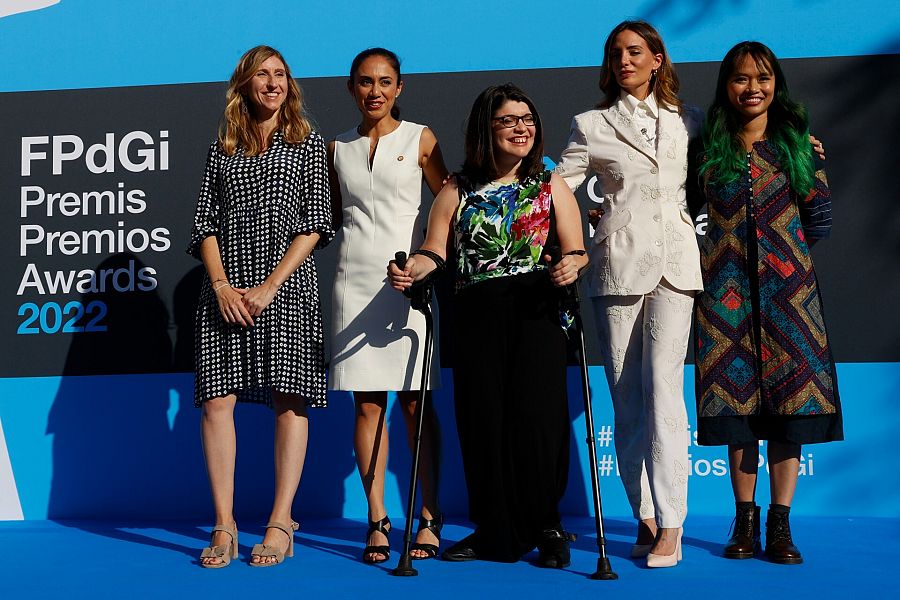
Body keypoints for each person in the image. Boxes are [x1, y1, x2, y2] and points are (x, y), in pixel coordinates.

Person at [388, 83, 588, 567]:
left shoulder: (550, 182)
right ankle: (495, 528)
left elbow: (576, 247)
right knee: (483, 422)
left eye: (528, 119)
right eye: (508, 120)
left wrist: (572, 264)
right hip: (476, 315)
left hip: (538, 312)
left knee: (539, 422)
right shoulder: (456, 188)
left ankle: (546, 526)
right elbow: (436, 249)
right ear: (486, 127)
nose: (522, 128)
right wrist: (413, 268)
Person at [554, 20, 702, 567]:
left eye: (636, 51)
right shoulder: (591, 123)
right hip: (616, 267)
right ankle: (642, 513)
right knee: (626, 395)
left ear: (657, 59)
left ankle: (671, 523)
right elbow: (559, 188)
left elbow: (730, 165)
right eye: (616, 52)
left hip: (678, 265)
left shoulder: (690, 120)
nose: (625, 60)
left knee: (664, 387)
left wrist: (795, 142)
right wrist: (582, 230)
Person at [692, 41, 842, 565]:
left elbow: (818, 220)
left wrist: (779, 261)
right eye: (740, 79)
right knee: (737, 413)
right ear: (725, 86)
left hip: (789, 301)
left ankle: (780, 525)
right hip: (723, 301)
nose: (751, 88)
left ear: (775, 84)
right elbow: (687, 215)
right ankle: (744, 521)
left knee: (788, 412)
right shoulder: (706, 148)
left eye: (762, 78)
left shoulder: (798, 143)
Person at [187, 45, 334, 568]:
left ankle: (279, 522)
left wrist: (270, 285)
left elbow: (315, 222)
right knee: (216, 402)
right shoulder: (221, 147)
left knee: (289, 400)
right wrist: (224, 286)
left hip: (286, 288)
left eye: (280, 75)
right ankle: (223, 524)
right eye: (261, 75)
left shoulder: (308, 142)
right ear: (244, 85)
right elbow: (203, 224)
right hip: (225, 291)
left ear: (289, 85)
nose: (271, 83)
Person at [327, 47, 448, 563]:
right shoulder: (337, 148)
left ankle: (429, 514)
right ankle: (377, 519)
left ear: (399, 87)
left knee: (417, 402)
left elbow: (447, 206)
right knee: (368, 403)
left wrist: (424, 259)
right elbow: (330, 218)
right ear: (351, 88)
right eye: (364, 82)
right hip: (352, 287)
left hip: (409, 284)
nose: (375, 91)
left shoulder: (421, 138)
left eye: (385, 81)